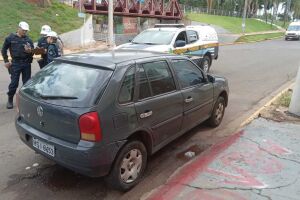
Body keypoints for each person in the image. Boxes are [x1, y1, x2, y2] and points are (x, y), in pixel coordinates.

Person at [1, 21, 34, 109]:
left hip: (26, 63)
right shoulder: (10, 38)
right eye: (23, 30)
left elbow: (32, 53)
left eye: (26, 31)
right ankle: (10, 99)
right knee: (14, 83)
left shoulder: (28, 40)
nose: (25, 32)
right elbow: (3, 49)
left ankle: (25, 100)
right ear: (18, 28)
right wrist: (6, 61)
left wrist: (29, 51)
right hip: (15, 63)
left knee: (27, 83)